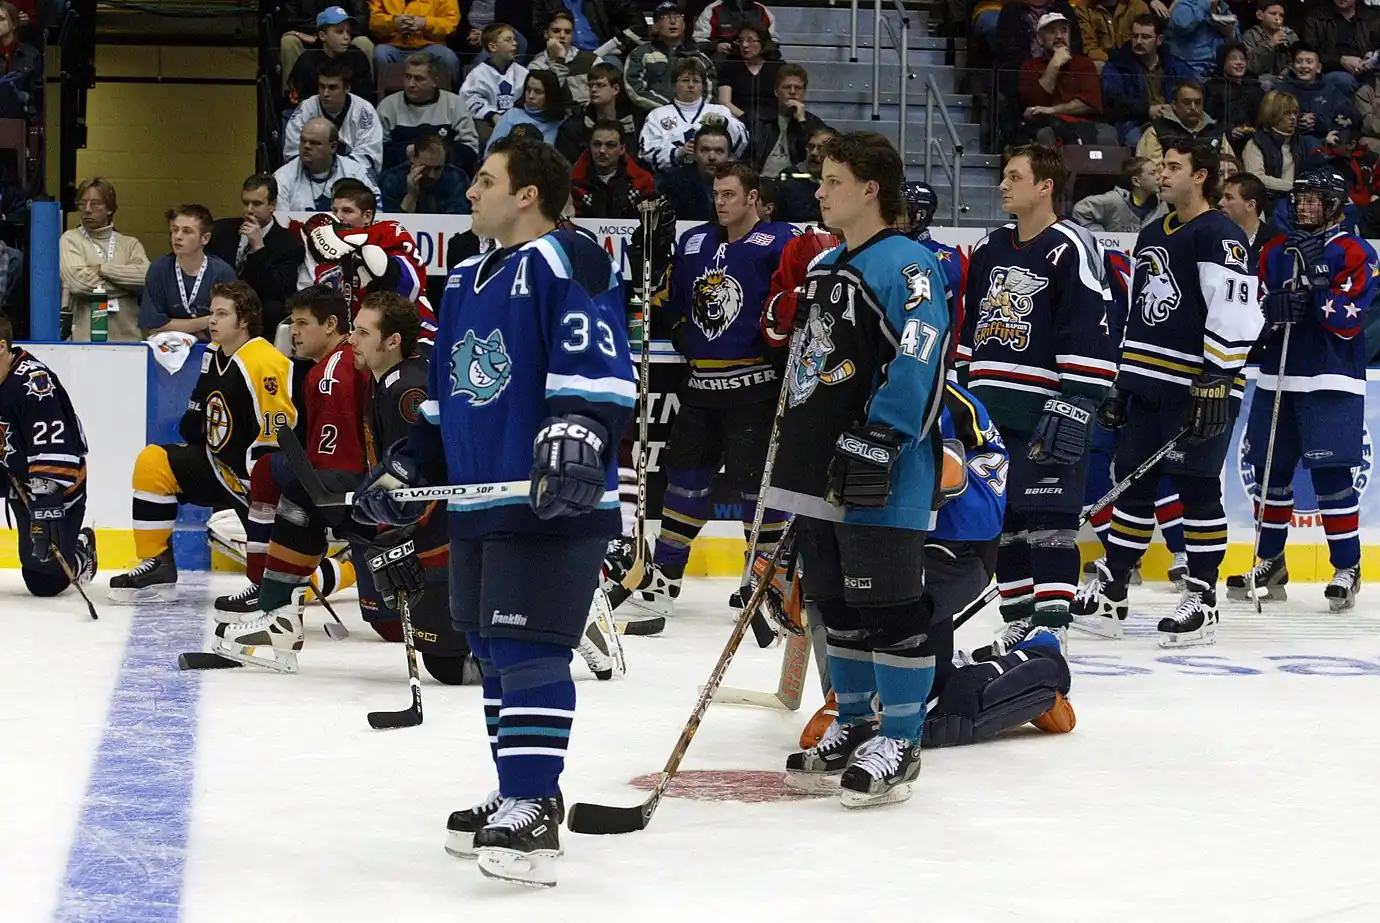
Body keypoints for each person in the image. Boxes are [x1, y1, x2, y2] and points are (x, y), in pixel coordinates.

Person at [350, 137, 634, 887]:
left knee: (528, 646)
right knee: (492, 652)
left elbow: (601, 366)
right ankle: (518, 786)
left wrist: (580, 428)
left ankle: (535, 803)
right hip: (478, 500)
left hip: (549, 499)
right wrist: (410, 464)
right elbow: (448, 399)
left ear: (528, 194)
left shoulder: (570, 258)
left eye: (485, 180)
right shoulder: (465, 279)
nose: (471, 192)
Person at [764, 131, 949, 808]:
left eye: (833, 181)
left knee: (889, 606)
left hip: (881, 467)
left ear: (871, 189)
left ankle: (901, 739)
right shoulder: (824, 266)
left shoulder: (908, 264)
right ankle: (854, 721)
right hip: (819, 469)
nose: (820, 192)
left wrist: (881, 435)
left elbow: (922, 352)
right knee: (835, 604)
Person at [1090, 141, 1262, 647]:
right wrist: (1122, 381)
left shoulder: (1221, 236)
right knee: (1132, 484)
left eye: (1172, 167)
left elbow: (1237, 312)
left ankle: (1203, 599)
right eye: (1160, 166)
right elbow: (1136, 313)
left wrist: (1217, 377)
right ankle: (1113, 590)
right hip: (1147, 383)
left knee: (1198, 488)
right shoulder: (1150, 233)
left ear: (1200, 176)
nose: (1161, 174)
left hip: (1198, 389)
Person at [617, 162, 796, 618]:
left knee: (757, 489)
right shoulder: (695, 242)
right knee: (684, 482)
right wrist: (653, 260)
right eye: (716, 193)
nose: (720, 202)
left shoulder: (780, 241)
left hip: (755, 388)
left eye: (730, 194)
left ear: (753, 198)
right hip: (700, 387)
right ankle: (663, 579)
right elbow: (667, 297)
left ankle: (766, 584)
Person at [958, 144, 1116, 657]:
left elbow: (1090, 326)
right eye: (1003, 176)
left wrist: (1078, 400)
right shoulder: (988, 247)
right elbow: (970, 327)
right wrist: (963, 392)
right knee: (1004, 523)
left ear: (1045, 186)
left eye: (1014, 176)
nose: (1003, 185)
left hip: (1046, 409)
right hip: (990, 413)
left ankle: (1051, 630)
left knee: (1050, 525)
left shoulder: (1071, 246)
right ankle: (1019, 622)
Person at [1228, 169, 1376, 611]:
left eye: (1315, 199)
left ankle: (1347, 566)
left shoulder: (1356, 251)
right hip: (1277, 375)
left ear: (1335, 205)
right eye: (1301, 199)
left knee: (1332, 476)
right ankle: (1270, 561)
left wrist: (1315, 283)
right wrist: (1272, 313)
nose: (1305, 207)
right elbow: (1252, 313)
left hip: (1330, 377)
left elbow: (1347, 322)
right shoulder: (1275, 251)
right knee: (1269, 472)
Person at [211, 286, 370, 670]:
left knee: (291, 490)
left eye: (302, 323)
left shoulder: (329, 373)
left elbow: (334, 465)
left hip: (359, 491)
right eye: (292, 323)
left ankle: (273, 595)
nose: (294, 332)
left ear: (330, 325)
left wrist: (324, 499)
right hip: (362, 484)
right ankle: (272, 602)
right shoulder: (327, 366)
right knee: (281, 482)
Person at [110, 283, 298, 603]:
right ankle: (157, 565)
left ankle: (346, 569)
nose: (212, 320)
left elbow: (277, 438)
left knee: (286, 584)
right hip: (219, 468)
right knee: (154, 462)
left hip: (256, 485)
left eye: (222, 314)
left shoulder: (264, 363)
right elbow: (196, 418)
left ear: (244, 320)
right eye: (211, 312)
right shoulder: (213, 353)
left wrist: (261, 491)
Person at [0, 313, 97, 597]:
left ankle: (81, 551)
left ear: (1, 346)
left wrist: (45, 508)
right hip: (14, 474)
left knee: (43, 580)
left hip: (54, 485)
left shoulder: (34, 385)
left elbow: (54, 448)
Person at [301, 179, 438, 352]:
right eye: (335, 210)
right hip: (357, 343)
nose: (339, 217)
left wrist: (364, 252)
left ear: (367, 216)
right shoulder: (327, 253)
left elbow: (411, 285)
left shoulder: (387, 232)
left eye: (347, 211)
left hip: (413, 336)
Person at [206, 174, 307, 336]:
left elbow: (280, 292)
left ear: (272, 205)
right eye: (245, 203)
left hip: (257, 309)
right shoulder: (221, 230)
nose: (249, 210)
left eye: (257, 204)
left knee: (273, 308)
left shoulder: (289, 244)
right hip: (218, 299)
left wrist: (259, 248)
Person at [60, 177, 150, 343]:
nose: (87, 210)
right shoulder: (71, 239)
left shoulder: (130, 244)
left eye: (95, 204)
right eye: (82, 203)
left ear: (109, 208)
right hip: (85, 341)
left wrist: (102, 269)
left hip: (129, 341)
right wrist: (127, 283)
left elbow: (146, 278)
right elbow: (79, 284)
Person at [139, 205, 238, 340]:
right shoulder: (160, 268)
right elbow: (153, 325)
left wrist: (175, 326)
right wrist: (203, 322)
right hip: (167, 346)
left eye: (187, 231)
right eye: (175, 230)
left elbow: (228, 325)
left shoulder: (222, 273)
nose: (178, 236)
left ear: (205, 238)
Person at [639, 56, 747, 172]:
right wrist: (677, 153)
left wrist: (724, 123)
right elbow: (646, 153)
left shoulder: (720, 111)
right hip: (672, 177)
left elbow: (742, 142)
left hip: (715, 176)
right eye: (685, 80)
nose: (691, 85)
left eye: (696, 81)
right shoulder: (657, 115)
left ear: (702, 86)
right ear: (674, 85)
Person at [1101, 14, 1194, 148]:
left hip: (1174, 122)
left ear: (1159, 40)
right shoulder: (1118, 65)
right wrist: (1148, 111)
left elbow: (1196, 91)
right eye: (1135, 36)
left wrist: (1176, 108)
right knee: (1139, 141)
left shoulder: (1175, 66)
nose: (1138, 42)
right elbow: (1114, 101)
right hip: (1135, 123)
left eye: (1145, 37)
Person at [377, 52, 480, 173]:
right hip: (400, 173)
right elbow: (378, 150)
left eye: (419, 79)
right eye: (408, 77)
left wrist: (437, 156)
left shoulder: (455, 104)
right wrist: (409, 152)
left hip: (445, 172)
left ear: (435, 80)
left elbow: (470, 148)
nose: (411, 84)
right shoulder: (388, 106)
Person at [1016, 12, 1104, 146]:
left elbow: (1091, 104)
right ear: (1040, 39)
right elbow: (1034, 103)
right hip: (1047, 125)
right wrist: (1054, 64)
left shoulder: (1084, 64)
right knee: (1044, 134)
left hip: (1085, 124)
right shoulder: (1030, 67)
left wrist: (1051, 110)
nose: (1059, 36)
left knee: (1107, 135)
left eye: (1064, 31)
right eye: (1052, 32)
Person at [284, 59, 385, 172]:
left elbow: (369, 156)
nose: (325, 93)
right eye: (322, 86)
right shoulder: (306, 109)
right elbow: (292, 153)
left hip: (353, 175)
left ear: (347, 88)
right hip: (311, 172)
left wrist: (334, 171)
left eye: (332, 87)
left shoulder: (364, 110)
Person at [900, 182, 966, 348]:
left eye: (900, 211)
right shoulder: (954, 256)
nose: (892, 217)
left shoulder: (952, 258)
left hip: (936, 349)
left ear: (919, 215)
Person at [273, 117, 380, 212]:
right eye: (303, 140)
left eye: (314, 143)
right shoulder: (282, 177)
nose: (306, 146)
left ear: (333, 147)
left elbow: (375, 212)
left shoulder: (356, 173)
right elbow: (281, 220)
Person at [626, 2, 716, 114]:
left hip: (693, 116)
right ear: (654, 26)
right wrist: (669, 108)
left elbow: (710, 91)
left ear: (684, 25)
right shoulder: (640, 54)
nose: (673, 21)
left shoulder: (698, 57)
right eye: (665, 17)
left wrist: (692, 111)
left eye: (677, 17)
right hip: (652, 115)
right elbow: (635, 89)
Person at [285, 5, 377, 107]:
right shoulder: (307, 60)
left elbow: (365, 98)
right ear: (322, 35)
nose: (346, 37)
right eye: (340, 32)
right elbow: (297, 98)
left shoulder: (358, 57)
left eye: (348, 32)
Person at [746, 64, 828, 177]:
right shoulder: (756, 119)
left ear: (804, 92)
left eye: (798, 88)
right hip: (760, 180)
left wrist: (802, 122)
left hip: (795, 181)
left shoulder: (813, 123)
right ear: (776, 91)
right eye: (787, 87)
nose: (792, 92)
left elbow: (813, 155)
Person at [554, 62, 642, 163]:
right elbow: (565, 163)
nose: (593, 90)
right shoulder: (573, 126)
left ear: (615, 89)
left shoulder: (636, 122)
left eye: (600, 85)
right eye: (590, 85)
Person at [571, 118, 656, 218]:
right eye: (597, 144)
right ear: (590, 146)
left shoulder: (642, 181)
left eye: (610, 145)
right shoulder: (573, 184)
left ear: (622, 149)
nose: (602, 150)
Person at [459, 22, 528, 143]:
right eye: (508, 40)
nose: (515, 43)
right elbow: (468, 99)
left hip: (518, 122)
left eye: (514, 39)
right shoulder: (478, 74)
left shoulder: (523, 73)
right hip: (488, 122)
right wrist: (492, 115)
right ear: (492, 47)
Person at [279, 0, 374, 85]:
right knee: (288, 41)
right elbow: (288, 18)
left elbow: (362, 19)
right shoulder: (305, 60)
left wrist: (343, 32)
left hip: (347, 34)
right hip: (307, 35)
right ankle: (289, 94)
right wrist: (318, 32)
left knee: (363, 42)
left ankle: (368, 91)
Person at [1241, 89, 1305, 213]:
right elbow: (1256, 178)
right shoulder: (1255, 143)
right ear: (1272, 115)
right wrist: (1292, 187)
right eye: (1286, 113)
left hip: (1296, 205)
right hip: (1266, 208)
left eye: (1295, 113)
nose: (1293, 117)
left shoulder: (1299, 143)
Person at [654, 123, 734, 222]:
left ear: (729, 156)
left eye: (719, 151)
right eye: (705, 150)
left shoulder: (740, 184)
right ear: (694, 153)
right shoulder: (674, 182)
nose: (712, 157)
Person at [368, 0, 460, 84]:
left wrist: (425, 23)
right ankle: (381, 94)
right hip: (393, 45)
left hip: (430, 45)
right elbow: (373, 21)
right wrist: (393, 22)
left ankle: (450, 94)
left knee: (448, 57)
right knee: (380, 54)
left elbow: (451, 21)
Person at [1136, 78, 1224, 165]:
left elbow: (1228, 163)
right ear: (1174, 105)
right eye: (1187, 103)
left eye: (1197, 102)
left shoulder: (1215, 130)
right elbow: (1150, 170)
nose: (1193, 107)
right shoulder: (1157, 130)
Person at [1301, 0, 1380, 95]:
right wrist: (1340, 60)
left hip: (1367, 71)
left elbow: (1376, 47)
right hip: (1331, 71)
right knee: (1344, 81)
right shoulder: (1317, 17)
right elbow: (1308, 53)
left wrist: (1370, 58)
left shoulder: (1372, 16)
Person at [379, 132, 471, 213]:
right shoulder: (391, 181)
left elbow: (456, 220)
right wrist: (411, 196)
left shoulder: (456, 178)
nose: (432, 175)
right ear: (413, 157)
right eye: (426, 168)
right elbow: (394, 224)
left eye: (437, 168)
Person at [715, 20, 782, 129]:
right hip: (738, 120)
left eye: (750, 40)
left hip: (773, 121)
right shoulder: (731, 66)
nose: (744, 45)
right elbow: (724, 101)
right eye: (741, 41)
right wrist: (745, 118)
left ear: (762, 42)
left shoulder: (777, 66)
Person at [1073, 156, 1167, 232]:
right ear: (1136, 181)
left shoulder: (1162, 204)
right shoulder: (1115, 200)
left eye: (1158, 172)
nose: (1159, 177)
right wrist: (1100, 235)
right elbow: (1080, 210)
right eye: (1152, 173)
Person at [528, 10, 599, 106]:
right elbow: (545, 99)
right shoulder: (537, 66)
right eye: (556, 31)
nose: (562, 36)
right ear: (546, 34)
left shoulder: (591, 60)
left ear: (572, 35)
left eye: (567, 32)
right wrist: (559, 60)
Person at [486, 68, 567, 151]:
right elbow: (491, 150)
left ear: (550, 95)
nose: (531, 96)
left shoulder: (561, 123)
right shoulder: (511, 116)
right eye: (528, 90)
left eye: (538, 92)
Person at [1219, 171, 1286, 259]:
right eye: (1222, 197)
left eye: (1229, 198)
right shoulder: (1214, 236)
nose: (1220, 203)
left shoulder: (1277, 242)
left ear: (1250, 205)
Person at [1166, 0, 1239, 80]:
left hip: (1218, 72)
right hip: (1189, 68)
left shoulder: (1225, 10)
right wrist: (1206, 3)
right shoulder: (1185, 5)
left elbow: (1240, 48)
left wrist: (1230, 34)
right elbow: (1182, 26)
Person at [777, 126, 834, 222]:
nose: (814, 153)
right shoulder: (790, 176)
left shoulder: (842, 180)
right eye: (810, 147)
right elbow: (799, 213)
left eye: (821, 148)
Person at [1076, 0, 1150, 69]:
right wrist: (1114, 59)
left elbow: (1146, 44)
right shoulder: (1083, 9)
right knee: (1097, 65)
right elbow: (1089, 49)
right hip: (1104, 64)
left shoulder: (1138, 6)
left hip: (1134, 63)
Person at [694, 0, 778, 53]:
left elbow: (774, 41)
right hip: (725, 58)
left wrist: (760, 50)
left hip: (757, 58)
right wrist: (715, 47)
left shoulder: (761, 10)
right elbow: (698, 42)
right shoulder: (712, 10)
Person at [1242, 0, 1297, 80]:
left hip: (1286, 81)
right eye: (1273, 14)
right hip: (1260, 82)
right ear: (1260, 15)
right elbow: (1250, 67)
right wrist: (1270, 45)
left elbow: (1298, 60)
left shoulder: (1290, 35)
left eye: (1281, 15)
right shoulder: (1251, 35)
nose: (1278, 18)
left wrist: (1285, 74)